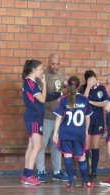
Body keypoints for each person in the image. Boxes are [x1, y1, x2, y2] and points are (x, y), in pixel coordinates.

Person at [53, 76, 95, 188]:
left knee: (67, 156)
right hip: (78, 132)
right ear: (78, 86)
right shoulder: (84, 99)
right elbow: (88, 118)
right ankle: (86, 182)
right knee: (81, 157)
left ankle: (71, 182)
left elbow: (58, 118)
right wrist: (86, 130)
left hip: (65, 132)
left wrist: (55, 132)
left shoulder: (63, 99)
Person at [35, 53, 69, 183]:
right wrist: (61, 92)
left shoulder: (60, 75)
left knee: (57, 144)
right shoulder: (42, 76)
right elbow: (46, 95)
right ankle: (41, 170)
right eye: (53, 64)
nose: (55, 66)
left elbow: (63, 92)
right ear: (48, 63)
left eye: (57, 64)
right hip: (46, 115)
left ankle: (57, 171)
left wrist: (66, 86)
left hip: (59, 117)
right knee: (42, 144)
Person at [78, 70, 109, 182]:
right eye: (89, 79)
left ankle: (94, 172)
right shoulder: (82, 88)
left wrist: (91, 102)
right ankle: (85, 171)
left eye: (93, 78)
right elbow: (82, 101)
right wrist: (88, 87)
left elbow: (105, 103)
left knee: (95, 145)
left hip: (98, 120)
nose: (92, 81)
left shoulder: (102, 88)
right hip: (86, 122)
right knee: (86, 146)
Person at [21, 59, 46, 186]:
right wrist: (44, 83)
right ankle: (29, 175)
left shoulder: (30, 82)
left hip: (34, 117)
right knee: (37, 146)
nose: (42, 71)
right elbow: (42, 99)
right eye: (40, 69)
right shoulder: (30, 83)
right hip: (34, 117)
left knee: (31, 146)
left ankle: (26, 174)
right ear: (34, 70)